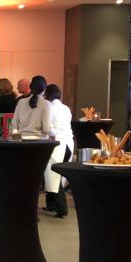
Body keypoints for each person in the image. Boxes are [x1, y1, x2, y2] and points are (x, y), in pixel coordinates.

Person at [43, 83, 74, 218]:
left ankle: (62, 209)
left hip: (56, 145)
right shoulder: (66, 108)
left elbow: (47, 127)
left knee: (52, 177)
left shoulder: (49, 107)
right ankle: (51, 205)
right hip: (68, 144)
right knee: (57, 177)